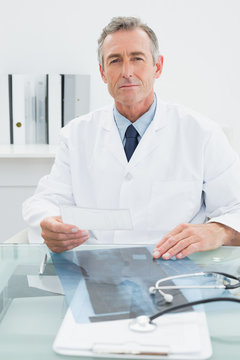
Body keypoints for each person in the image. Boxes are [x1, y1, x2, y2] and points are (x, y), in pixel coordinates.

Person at [23, 16, 240, 257]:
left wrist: (219, 231)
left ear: (157, 66)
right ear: (103, 72)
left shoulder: (202, 133)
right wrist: (49, 222)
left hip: (175, 273)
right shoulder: (76, 135)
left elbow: (236, 207)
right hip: (96, 270)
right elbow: (46, 200)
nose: (127, 72)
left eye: (137, 58)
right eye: (115, 61)